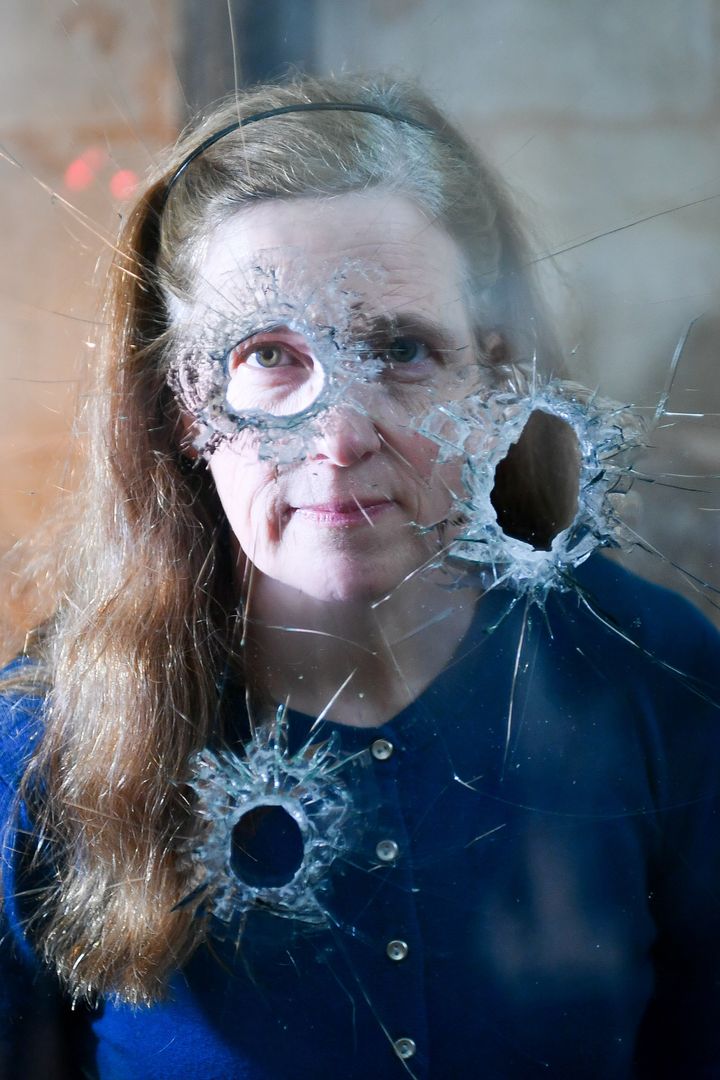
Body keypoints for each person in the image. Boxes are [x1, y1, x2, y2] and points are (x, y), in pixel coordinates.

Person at [0, 74, 718, 1080]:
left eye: (401, 348)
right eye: (269, 355)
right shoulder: (46, 753)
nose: (338, 439)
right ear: (177, 405)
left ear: (496, 375)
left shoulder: (656, 676)